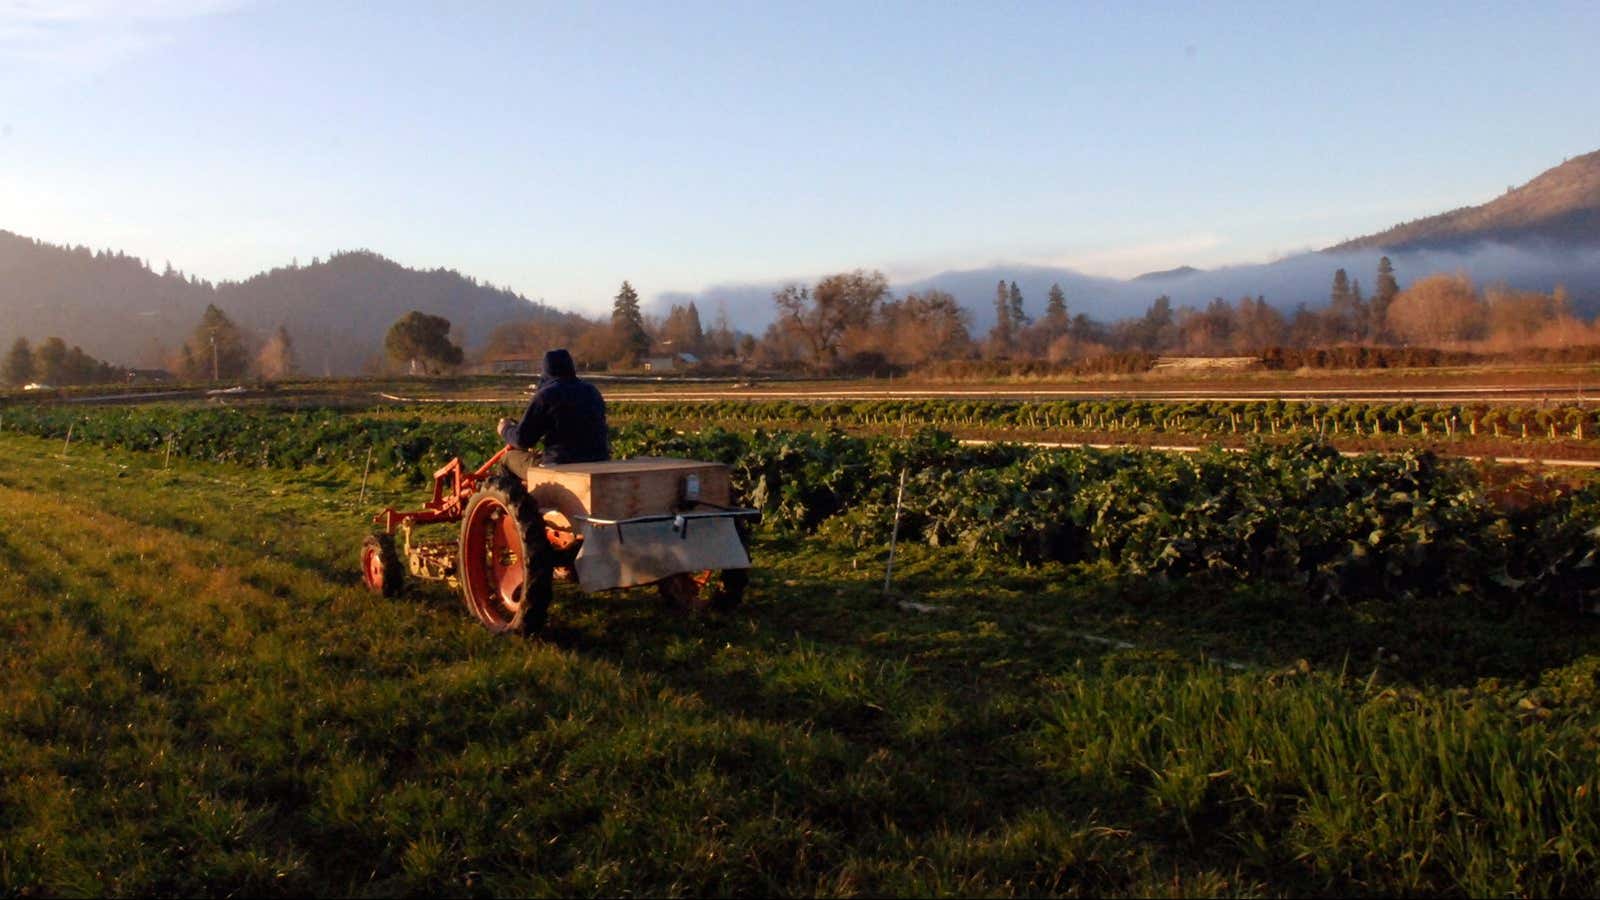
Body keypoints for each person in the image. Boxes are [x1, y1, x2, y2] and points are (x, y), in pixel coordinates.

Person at [497, 348, 610, 480]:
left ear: (546, 370)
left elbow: (523, 440)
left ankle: (516, 498)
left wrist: (505, 429)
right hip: (599, 459)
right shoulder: (592, 391)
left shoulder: (546, 395)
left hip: (559, 463)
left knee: (508, 458)